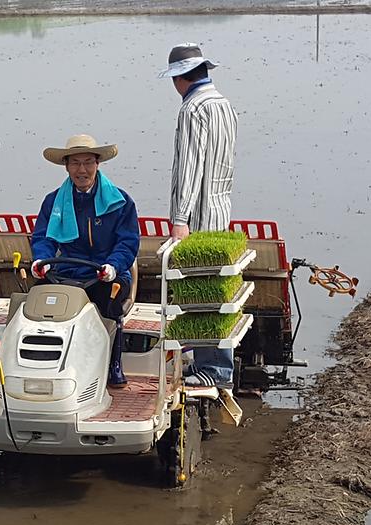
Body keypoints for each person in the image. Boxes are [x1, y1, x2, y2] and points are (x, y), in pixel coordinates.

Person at [159, 42, 239, 389]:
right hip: (220, 208)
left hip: (198, 216)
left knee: (200, 295)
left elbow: (190, 168)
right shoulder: (223, 105)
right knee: (215, 293)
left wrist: (180, 218)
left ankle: (215, 370)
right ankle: (214, 365)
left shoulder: (193, 109)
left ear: (179, 78)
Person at [30, 134, 139, 388]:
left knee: (107, 302)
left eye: (88, 162)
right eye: (76, 163)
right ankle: (44, 365)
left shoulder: (121, 202)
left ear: (97, 163)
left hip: (107, 273)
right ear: (66, 167)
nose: (82, 170)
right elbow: (43, 239)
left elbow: (128, 243)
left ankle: (113, 363)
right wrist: (41, 261)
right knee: (37, 300)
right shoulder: (52, 201)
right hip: (65, 272)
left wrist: (113, 266)